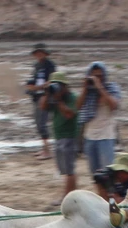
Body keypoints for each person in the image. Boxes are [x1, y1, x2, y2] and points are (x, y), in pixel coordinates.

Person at [39, 71, 79, 206]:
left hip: (69, 136)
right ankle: (72, 196)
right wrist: (46, 93)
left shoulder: (72, 97)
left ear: (65, 86)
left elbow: (70, 114)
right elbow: (43, 107)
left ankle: (67, 197)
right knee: (64, 170)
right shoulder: (53, 97)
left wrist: (58, 101)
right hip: (59, 136)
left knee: (69, 170)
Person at [77, 61, 122, 175]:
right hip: (90, 136)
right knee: (96, 175)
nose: (97, 78)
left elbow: (114, 106)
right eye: (94, 76)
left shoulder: (111, 88)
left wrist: (100, 88)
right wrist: (85, 89)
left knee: (109, 173)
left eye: (100, 76)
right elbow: (78, 107)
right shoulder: (88, 92)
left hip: (106, 136)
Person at [24, 44, 56, 160]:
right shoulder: (37, 65)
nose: (38, 54)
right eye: (36, 53)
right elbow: (34, 80)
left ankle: (47, 151)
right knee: (38, 123)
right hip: (37, 96)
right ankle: (44, 148)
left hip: (45, 96)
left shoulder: (50, 65)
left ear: (45, 53)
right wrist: (31, 86)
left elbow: (52, 81)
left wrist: (39, 88)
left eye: (40, 52)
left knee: (42, 123)